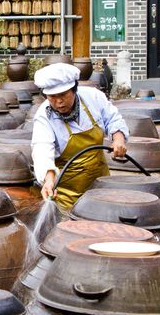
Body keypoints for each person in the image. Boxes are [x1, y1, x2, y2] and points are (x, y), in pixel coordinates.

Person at [31, 63, 129, 211]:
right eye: (52, 97)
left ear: (74, 89)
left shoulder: (93, 97)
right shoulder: (44, 116)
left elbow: (113, 119)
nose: (58, 102)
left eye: (63, 95)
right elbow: (42, 150)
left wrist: (118, 139)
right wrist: (49, 180)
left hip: (101, 188)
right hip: (67, 197)